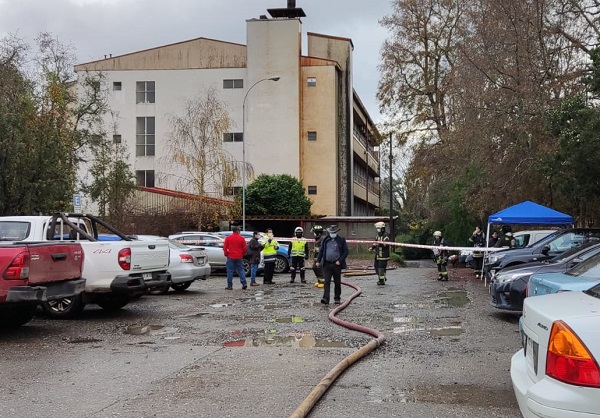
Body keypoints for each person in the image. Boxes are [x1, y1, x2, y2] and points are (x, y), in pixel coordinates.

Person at [315, 225, 349, 305]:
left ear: (336, 232)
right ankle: (325, 298)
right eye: (331, 232)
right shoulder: (325, 240)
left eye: (333, 232)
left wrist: (340, 261)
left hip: (336, 265)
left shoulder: (341, 240)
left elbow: (346, 252)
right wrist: (318, 260)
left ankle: (337, 298)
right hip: (327, 264)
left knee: (337, 282)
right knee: (327, 282)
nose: (332, 234)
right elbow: (322, 251)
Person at [369, 221, 390, 285]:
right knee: (376, 266)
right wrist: (372, 247)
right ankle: (382, 277)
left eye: (379, 228)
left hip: (383, 255)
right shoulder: (378, 235)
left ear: (382, 228)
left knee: (381, 267)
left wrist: (379, 243)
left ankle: (381, 280)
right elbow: (375, 242)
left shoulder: (386, 235)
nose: (378, 230)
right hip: (378, 254)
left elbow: (385, 244)